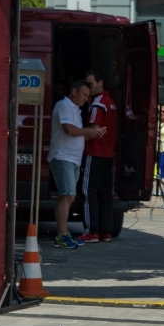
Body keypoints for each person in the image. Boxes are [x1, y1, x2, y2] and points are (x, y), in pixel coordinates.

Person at [47, 80, 105, 249]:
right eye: (84, 94)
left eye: (88, 96)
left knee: (65, 196)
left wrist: (94, 134)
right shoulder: (64, 105)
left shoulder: (76, 111)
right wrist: (89, 131)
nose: (86, 99)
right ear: (74, 92)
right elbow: (69, 130)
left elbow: (78, 134)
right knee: (68, 195)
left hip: (72, 159)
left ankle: (63, 234)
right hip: (63, 157)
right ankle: (62, 235)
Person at [78, 71, 118, 244]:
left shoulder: (97, 104)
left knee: (88, 192)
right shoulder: (111, 102)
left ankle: (91, 231)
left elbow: (93, 130)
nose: (88, 88)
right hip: (107, 154)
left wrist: (76, 137)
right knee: (104, 194)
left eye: (90, 84)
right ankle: (105, 231)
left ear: (100, 83)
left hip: (94, 152)